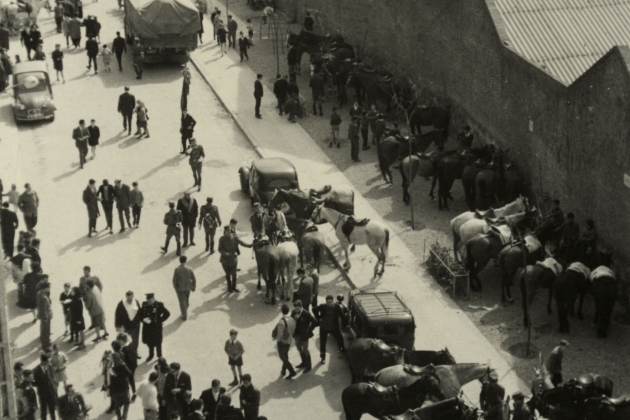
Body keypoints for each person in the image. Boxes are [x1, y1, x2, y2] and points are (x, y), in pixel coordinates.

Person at [313, 295, 346, 364]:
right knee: (322, 343)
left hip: (333, 327)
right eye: (328, 302)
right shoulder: (323, 306)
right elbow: (314, 309)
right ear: (326, 302)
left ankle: (342, 349)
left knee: (339, 338)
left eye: (331, 302)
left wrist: (347, 324)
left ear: (333, 301)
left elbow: (342, 316)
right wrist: (318, 318)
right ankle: (323, 357)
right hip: (323, 328)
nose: (329, 304)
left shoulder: (337, 307)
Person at [140, 293, 171, 361]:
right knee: (149, 341)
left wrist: (160, 320)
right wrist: (143, 319)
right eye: (147, 299)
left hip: (156, 327)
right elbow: (141, 313)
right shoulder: (144, 304)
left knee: (158, 341)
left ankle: (159, 355)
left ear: (153, 298)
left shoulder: (159, 305)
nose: (148, 301)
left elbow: (167, 313)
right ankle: (151, 354)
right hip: (147, 327)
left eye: (150, 299)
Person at [292, 300, 317, 373]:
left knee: (305, 349)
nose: (296, 311)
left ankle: (308, 366)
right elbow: (291, 321)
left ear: (301, 307)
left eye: (297, 309)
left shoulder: (306, 313)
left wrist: (309, 330)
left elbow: (315, 322)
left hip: (304, 335)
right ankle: (303, 363)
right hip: (297, 335)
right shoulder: (293, 312)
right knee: (299, 348)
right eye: (295, 309)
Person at [274, 304, 297, 379]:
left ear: (281, 311)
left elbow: (280, 333)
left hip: (282, 342)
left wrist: (278, 341)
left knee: (282, 357)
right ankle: (283, 370)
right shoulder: (292, 319)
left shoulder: (281, 321)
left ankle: (292, 371)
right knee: (285, 355)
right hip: (289, 340)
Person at [33, 353, 58, 420]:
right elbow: (33, 382)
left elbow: (52, 376)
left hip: (50, 392)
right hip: (42, 394)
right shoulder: (36, 370)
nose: (49, 362)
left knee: (52, 410)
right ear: (43, 361)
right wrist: (41, 383)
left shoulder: (49, 366)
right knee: (43, 411)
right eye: (47, 361)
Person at [173, 255, 196, 320]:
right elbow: (194, 279)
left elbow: (174, 280)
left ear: (179, 261)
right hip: (188, 288)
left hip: (180, 288)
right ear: (186, 260)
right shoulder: (190, 268)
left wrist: (175, 287)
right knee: (186, 300)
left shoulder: (177, 269)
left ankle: (184, 315)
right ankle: (185, 311)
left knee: (182, 301)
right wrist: (193, 286)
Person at [117, 332, 138, 400]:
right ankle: (134, 393)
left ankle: (128, 394)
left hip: (129, 367)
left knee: (127, 380)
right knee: (131, 379)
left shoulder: (124, 349)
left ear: (123, 341)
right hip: (134, 365)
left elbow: (125, 359)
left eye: (119, 341)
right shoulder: (131, 344)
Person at [37, 281, 53, 349]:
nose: (49, 289)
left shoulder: (39, 293)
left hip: (42, 315)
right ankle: (46, 345)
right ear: (46, 288)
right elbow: (44, 309)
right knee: (46, 331)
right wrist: (46, 318)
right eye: (49, 287)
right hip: (45, 316)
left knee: (43, 330)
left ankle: (44, 342)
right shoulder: (44, 297)